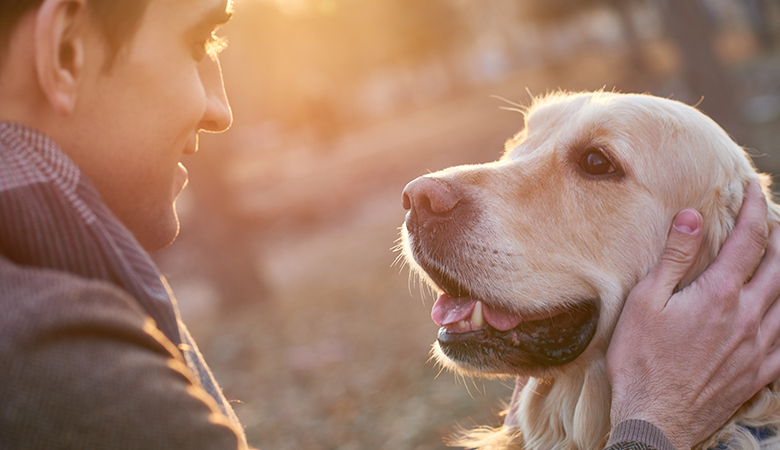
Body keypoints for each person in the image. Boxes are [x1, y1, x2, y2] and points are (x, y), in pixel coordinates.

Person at [0, 0, 778, 449]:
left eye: (595, 165)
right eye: (199, 42)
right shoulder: (53, 356)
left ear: (730, 265)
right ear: (63, 50)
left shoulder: (61, 291)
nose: (221, 106)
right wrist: (654, 427)